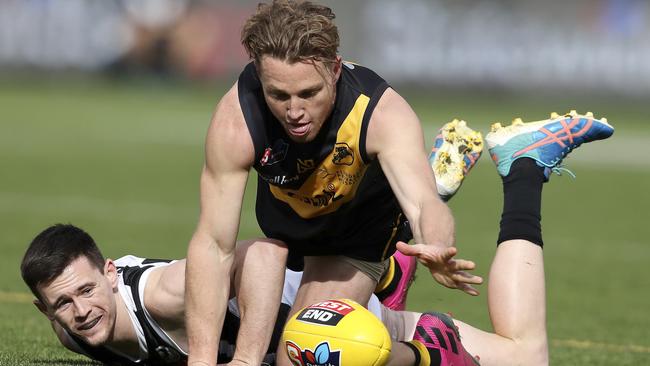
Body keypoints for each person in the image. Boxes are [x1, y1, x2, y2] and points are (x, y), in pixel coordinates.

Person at [22, 112, 614, 366]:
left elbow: (264, 252)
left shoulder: (157, 295)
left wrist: (252, 357)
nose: (80, 312)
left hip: (334, 317)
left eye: (82, 292)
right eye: (62, 305)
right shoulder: (78, 330)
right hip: (326, 302)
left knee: (527, 356)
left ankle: (526, 166)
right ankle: (415, 206)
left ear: (106, 271)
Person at [184, 2, 483, 364]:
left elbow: (423, 205)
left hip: (354, 235)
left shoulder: (380, 112)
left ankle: (431, 352)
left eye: (309, 93)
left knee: (302, 354)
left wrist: (435, 244)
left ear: (335, 69)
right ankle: (392, 273)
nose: (294, 112)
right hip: (288, 224)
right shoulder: (237, 118)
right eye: (278, 95)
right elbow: (214, 245)